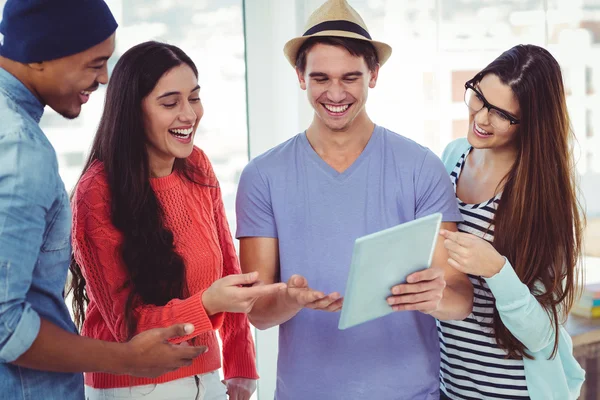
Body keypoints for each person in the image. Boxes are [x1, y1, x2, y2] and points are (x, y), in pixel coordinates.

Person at [235, 0, 473, 399]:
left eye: (350, 77)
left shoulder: (421, 167)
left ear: (373, 74)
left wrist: (436, 298)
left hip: (410, 392)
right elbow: (258, 314)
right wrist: (288, 299)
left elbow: (460, 297)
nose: (335, 93)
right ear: (300, 76)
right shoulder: (262, 176)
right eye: (320, 78)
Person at [0, 2, 207, 400]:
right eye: (95, 64)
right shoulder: (21, 150)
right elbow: (5, 324)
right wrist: (127, 359)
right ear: (42, 55)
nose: (105, 78)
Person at [69, 41, 285, 400]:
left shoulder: (196, 165)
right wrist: (207, 305)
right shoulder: (98, 191)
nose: (189, 115)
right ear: (133, 112)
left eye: (194, 98)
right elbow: (128, 326)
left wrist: (240, 363)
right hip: (133, 387)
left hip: (207, 376)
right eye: (170, 103)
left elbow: (228, 271)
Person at [437, 44, 586, 400]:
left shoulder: (542, 197)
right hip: (449, 386)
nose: (482, 118)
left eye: (503, 114)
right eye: (479, 97)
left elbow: (542, 336)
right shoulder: (453, 155)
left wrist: (496, 270)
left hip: (512, 392)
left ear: (531, 122)